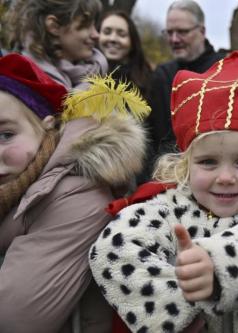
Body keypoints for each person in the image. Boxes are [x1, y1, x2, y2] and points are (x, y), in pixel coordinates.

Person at [88, 51, 238, 333]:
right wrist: (180, 309)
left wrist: (215, 267)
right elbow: (114, 248)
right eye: (208, 162)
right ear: (185, 165)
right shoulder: (169, 205)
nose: (225, 178)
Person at [0, 54, 149, 332]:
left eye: (5, 135)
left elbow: (14, 320)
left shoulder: (77, 195)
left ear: (47, 126)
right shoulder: (20, 186)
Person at [145, 0, 226, 165]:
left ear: (202, 31)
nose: (174, 39)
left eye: (182, 32)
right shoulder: (162, 75)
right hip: (169, 172)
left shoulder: (224, 69)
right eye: (169, 32)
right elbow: (152, 136)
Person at [6, 0, 107, 91]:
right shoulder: (21, 83)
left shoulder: (95, 72)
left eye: (94, 25)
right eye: (86, 25)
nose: (96, 35)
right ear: (54, 26)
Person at [98, 10, 153, 98]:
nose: (113, 39)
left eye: (121, 34)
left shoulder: (150, 81)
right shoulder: (82, 75)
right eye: (107, 32)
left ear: (132, 42)